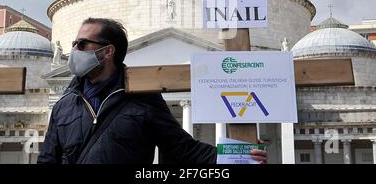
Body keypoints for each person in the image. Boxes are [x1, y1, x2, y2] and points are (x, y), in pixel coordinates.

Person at [37, 17, 267, 164]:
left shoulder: (144, 98)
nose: (74, 50)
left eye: (82, 44)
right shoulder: (64, 104)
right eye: (74, 44)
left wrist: (236, 157)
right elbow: (48, 159)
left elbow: (182, 149)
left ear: (107, 52)